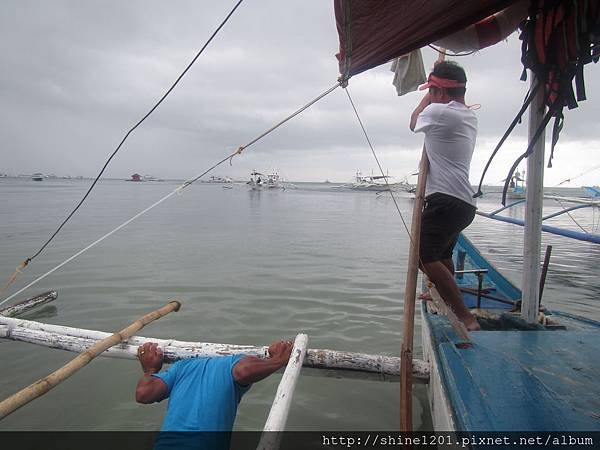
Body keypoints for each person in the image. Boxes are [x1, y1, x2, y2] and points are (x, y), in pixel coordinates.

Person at [409, 60, 480, 332]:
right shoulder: (466, 114)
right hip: (462, 202)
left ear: (439, 93)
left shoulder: (439, 112)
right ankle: (443, 294)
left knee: (422, 256)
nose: (428, 96)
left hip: (446, 200)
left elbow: (414, 122)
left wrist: (429, 95)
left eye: (432, 91)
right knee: (442, 254)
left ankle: (465, 317)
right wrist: (435, 88)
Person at [135, 339, 294, 449]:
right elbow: (243, 371)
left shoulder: (180, 367)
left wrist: (150, 370)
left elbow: (143, 393)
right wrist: (277, 361)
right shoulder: (233, 363)